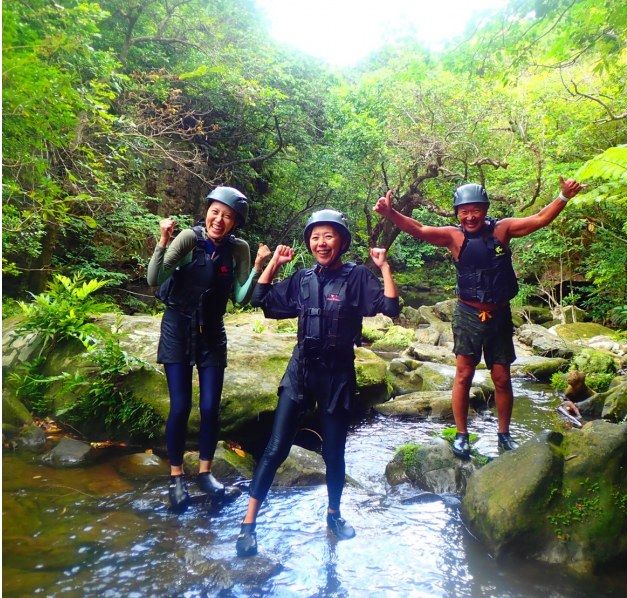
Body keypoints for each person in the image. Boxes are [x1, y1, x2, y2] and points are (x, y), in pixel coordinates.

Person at [373, 177, 584, 459]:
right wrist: (391, 214)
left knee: (501, 377)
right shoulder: (453, 236)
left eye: (476, 210)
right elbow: (420, 229)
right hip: (468, 313)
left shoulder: (503, 230)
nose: (470, 216)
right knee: (463, 375)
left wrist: (563, 197)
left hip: (498, 314)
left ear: (485, 210)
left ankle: (504, 434)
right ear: (457, 213)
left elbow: (539, 219)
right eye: (464, 211)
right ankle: (462, 435)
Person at [236, 209, 399, 557]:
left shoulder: (356, 278)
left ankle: (333, 515)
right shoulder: (302, 279)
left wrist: (383, 267)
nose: (321, 243)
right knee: (275, 448)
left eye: (328, 236)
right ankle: (248, 524)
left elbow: (390, 306)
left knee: (334, 454)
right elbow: (260, 301)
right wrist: (275, 264)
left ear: (340, 241)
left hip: (337, 375)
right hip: (301, 371)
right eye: (315, 237)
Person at [147, 186, 271, 511]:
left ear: (235, 223)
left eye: (228, 216)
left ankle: (204, 473)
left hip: (212, 332)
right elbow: (153, 277)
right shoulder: (189, 238)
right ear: (207, 211)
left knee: (210, 407)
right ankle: (176, 478)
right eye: (216, 212)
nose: (220, 219)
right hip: (178, 327)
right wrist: (163, 241)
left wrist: (257, 266)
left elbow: (241, 297)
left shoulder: (238, 249)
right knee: (180, 407)